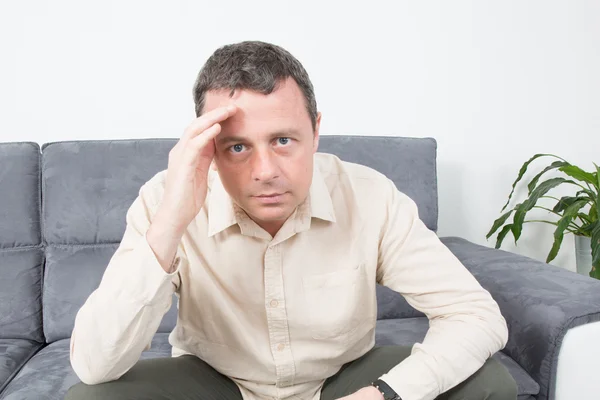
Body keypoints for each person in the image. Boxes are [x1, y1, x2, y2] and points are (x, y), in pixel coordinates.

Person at [65, 41, 517, 400]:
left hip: (340, 380)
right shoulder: (167, 199)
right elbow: (94, 366)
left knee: (489, 383)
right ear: (209, 146)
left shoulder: (369, 195)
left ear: (316, 131)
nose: (265, 171)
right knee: (88, 398)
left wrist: (386, 394)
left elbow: (476, 316)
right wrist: (169, 224)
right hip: (219, 383)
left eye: (283, 140)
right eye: (237, 147)